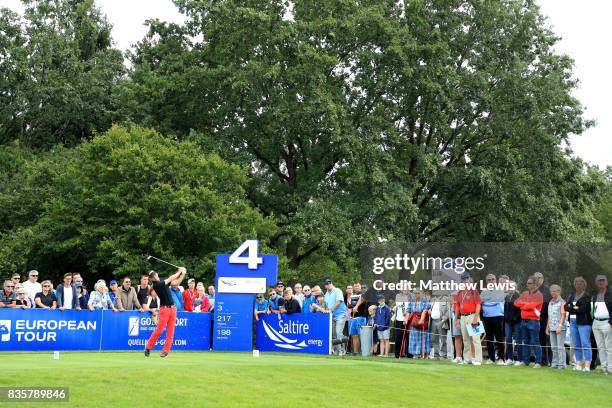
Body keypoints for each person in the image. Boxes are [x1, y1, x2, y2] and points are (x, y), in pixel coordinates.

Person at [144, 267, 187, 358]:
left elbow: (176, 283)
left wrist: (183, 274)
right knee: (159, 330)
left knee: (171, 331)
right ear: (151, 279)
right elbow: (171, 278)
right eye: (152, 276)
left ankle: (165, 351)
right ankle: (148, 347)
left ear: (156, 274)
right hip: (164, 309)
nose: (154, 276)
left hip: (173, 309)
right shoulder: (157, 285)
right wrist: (179, 271)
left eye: (154, 274)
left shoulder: (163, 280)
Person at [514, 275, 544, 368]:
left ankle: (538, 362)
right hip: (524, 321)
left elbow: (532, 306)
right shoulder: (524, 293)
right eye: (527, 283)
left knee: (535, 341)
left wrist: (524, 305)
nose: (527, 284)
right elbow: (516, 303)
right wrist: (526, 304)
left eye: (529, 283)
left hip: (533, 321)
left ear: (535, 285)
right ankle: (525, 361)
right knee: (525, 341)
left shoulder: (539, 295)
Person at [565, 276, 593, 371]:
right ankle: (578, 364)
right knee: (576, 344)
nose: (578, 285)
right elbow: (566, 307)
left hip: (584, 322)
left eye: (580, 284)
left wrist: (572, 307)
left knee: (585, 343)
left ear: (584, 285)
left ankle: (587, 366)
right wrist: (575, 307)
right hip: (572, 322)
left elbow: (584, 309)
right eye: (577, 284)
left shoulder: (587, 296)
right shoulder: (571, 295)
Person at [454, 273, 482, 365]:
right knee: (465, 339)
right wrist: (455, 318)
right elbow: (457, 306)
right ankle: (467, 359)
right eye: (463, 280)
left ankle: (478, 359)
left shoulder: (474, 291)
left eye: (466, 279)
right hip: (463, 317)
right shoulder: (460, 292)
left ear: (470, 280)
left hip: (473, 315)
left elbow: (478, 305)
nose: (465, 281)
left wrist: (475, 318)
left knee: (475, 338)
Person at [481, 274, 505, 364]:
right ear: (486, 282)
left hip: (498, 317)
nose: (491, 281)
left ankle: (501, 358)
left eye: (493, 279)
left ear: (495, 280)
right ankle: (491, 358)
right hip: (487, 317)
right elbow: (481, 302)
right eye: (489, 280)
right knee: (489, 338)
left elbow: (495, 301)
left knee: (499, 338)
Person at [591, 275, 612, 375]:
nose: (601, 283)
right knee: (600, 347)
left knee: (609, 347)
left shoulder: (610, 293)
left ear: (606, 282)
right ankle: (604, 367)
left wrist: (611, 323)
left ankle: (610, 368)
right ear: (596, 283)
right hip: (596, 323)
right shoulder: (595, 294)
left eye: (603, 281)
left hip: (607, 323)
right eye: (599, 281)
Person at [324, 278, 347, 356]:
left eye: (330, 283)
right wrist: (328, 311)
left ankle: (342, 351)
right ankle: (337, 351)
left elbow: (339, 301)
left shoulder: (337, 290)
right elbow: (326, 306)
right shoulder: (326, 294)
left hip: (340, 315)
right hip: (332, 316)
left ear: (332, 283)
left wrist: (331, 310)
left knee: (338, 333)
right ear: (325, 286)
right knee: (334, 335)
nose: (329, 285)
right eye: (327, 284)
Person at [546, 284, 566, 369]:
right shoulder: (550, 302)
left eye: (554, 291)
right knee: (553, 347)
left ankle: (561, 364)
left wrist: (560, 326)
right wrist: (547, 327)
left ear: (559, 291)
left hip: (559, 328)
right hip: (551, 327)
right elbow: (549, 316)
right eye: (551, 291)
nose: (552, 293)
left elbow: (563, 315)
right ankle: (554, 363)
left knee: (560, 347)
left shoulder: (562, 302)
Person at [534, 272, 552, 366]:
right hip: (534, 319)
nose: (537, 279)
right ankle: (540, 360)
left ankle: (548, 361)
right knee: (537, 340)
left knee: (546, 340)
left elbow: (549, 305)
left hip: (545, 319)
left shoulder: (547, 290)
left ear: (543, 279)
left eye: (539, 277)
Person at [502, 278, 522, 365]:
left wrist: (515, 318)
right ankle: (510, 358)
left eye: (511, 286)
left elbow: (521, 310)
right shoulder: (506, 297)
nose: (510, 288)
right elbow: (505, 309)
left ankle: (519, 359)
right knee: (508, 339)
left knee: (518, 340)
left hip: (517, 321)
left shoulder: (519, 296)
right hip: (507, 322)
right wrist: (506, 318)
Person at [407, 290, 431, 359]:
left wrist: (421, 320)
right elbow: (408, 311)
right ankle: (415, 354)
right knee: (414, 338)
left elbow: (424, 311)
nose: (416, 294)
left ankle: (424, 353)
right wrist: (406, 320)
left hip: (422, 323)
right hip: (414, 323)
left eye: (418, 293)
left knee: (423, 338)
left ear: (421, 294)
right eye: (415, 293)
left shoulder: (425, 302)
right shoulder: (411, 302)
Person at [429, 293, 450, 360]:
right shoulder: (433, 299)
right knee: (434, 339)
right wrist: (429, 311)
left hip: (441, 321)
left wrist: (443, 319)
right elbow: (430, 308)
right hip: (433, 321)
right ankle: (436, 355)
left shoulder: (446, 299)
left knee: (443, 339)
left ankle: (444, 355)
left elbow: (448, 310)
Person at [393, 289, 412, 359]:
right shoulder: (398, 296)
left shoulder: (411, 296)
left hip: (408, 319)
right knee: (398, 337)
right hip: (399, 319)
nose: (405, 290)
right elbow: (398, 304)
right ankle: (398, 354)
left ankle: (409, 354)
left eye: (406, 289)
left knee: (408, 337)